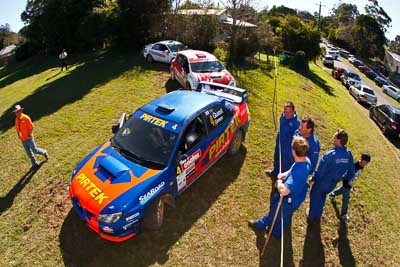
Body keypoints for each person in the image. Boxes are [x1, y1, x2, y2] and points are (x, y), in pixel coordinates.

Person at [248, 136, 311, 237]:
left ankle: (260, 224)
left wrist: (278, 183)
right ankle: (277, 232)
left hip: (289, 199)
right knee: (285, 216)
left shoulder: (297, 173)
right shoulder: (306, 160)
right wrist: (285, 174)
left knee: (274, 214)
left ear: (294, 151)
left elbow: (284, 191)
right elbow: (293, 168)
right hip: (297, 197)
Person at [307, 129, 355, 223]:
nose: (332, 138)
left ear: (338, 140)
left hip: (321, 183)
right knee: (323, 197)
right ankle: (318, 215)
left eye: (334, 136)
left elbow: (320, 171)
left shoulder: (330, 155)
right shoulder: (348, 154)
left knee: (315, 196)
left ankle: (311, 216)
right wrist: (341, 177)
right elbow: (351, 172)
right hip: (332, 184)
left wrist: (313, 178)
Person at [329, 152, 371, 221]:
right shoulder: (354, 165)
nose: (366, 164)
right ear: (361, 159)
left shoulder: (361, 166)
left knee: (341, 190)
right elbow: (347, 173)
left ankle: (332, 194)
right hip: (347, 183)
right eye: (365, 162)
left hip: (350, 183)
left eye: (367, 163)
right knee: (346, 199)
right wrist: (342, 179)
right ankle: (343, 214)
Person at [266, 102, 300, 178]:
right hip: (279, 142)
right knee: (277, 157)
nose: (286, 114)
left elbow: (296, 137)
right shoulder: (282, 116)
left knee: (285, 163)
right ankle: (275, 172)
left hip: (287, 147)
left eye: (289, 112)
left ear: (294, 111)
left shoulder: (297, 123)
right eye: (285, 111)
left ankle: (282, 178)